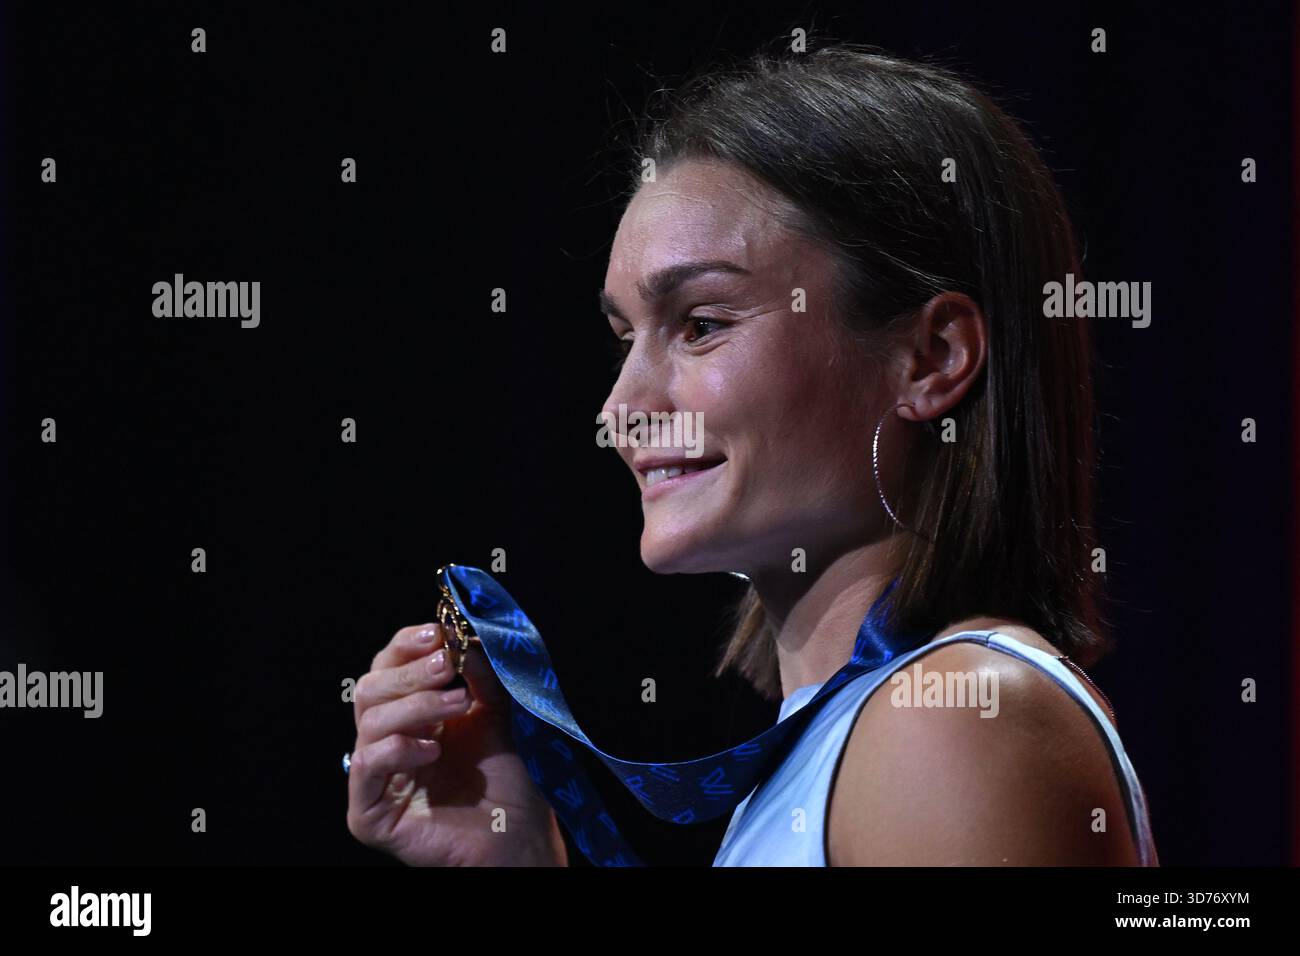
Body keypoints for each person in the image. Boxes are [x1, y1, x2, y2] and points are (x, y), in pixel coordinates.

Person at [345, 43, 1158, 867]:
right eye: (625, 338)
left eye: (701, 324)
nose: (621, 410)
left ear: (931, 359)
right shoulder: (863, 729)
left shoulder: (954, 720)